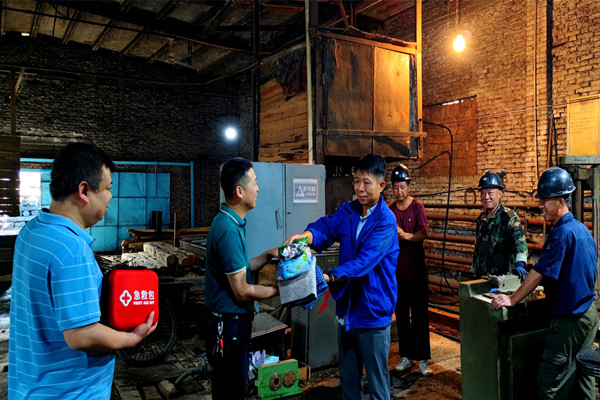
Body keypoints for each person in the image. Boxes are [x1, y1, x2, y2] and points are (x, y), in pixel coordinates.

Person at [8, 143, 157, 400]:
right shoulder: (71, 248)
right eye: (108, 188)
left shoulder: (31, 231)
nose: (110, 197)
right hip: (69, 391)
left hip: (30, 384)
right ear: (84, 191)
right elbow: (81, 335)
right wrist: (132, 338)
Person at [287, 154, 399, 400]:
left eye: (366, 182)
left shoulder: (386, 222)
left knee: (378, 391)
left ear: (381, 185)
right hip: (347, 313)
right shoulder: (349, 211)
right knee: (348, 387)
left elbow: (363, 263)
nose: (360, 188)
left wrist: (328, 277)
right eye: (356, 181)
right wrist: (306, 237)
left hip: (371, 316)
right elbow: (327, 227)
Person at [491, 167, 598, 399]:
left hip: (569, 322)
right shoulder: (582, 230)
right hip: (589, 315)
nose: (540, 206)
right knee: (582, 380)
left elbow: (539, 272)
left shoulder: (561, 234)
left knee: (550, 385)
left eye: (545, 201)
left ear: (561, 201)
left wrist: (513, 298)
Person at [204, 157, 280, 400]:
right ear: (239, 191)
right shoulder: (227, 229)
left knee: (231, 388)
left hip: (231, 324)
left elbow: (241, 268)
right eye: (254, 182)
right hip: (228, 327)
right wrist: (279, 291)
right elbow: (242, 290)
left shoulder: (231, 222)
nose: (258, 188)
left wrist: (268, 255)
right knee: (232, 392)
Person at [388, 164, 432, 376]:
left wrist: (405, 235)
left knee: (420, 315)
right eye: (396, 187)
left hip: (417, 272)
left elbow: (423, 233)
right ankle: (406, 356)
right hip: (397, 273)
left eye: (402, 187)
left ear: (409, 186)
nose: (399, 191)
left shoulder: (417, 207)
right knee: (402, 315)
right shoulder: (389, 210)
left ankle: (423, 359)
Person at [472, 171, 528, 279]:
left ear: (500, 193)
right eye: (483, 193)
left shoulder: (509, 217)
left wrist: (520, 265)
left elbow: (520, 245)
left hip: (502, 280)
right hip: (482, 278)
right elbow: (478, 249)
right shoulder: (481, 220)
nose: (486, 197)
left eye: (490, 193)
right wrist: (474, 269)